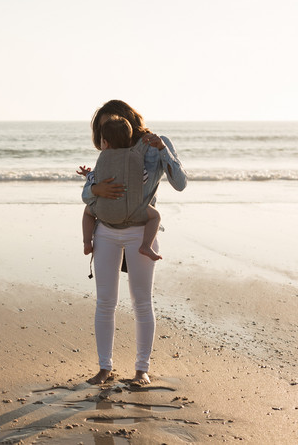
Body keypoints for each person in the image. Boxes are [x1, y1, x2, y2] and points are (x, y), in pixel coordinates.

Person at [81, 100, 187, 386]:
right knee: (105, 302)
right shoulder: (110, 151)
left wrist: (163, 151)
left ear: (128, 121)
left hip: (140, 230)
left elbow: (180, 183)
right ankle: (104, 368)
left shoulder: (155, 145)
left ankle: (142, 370)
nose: (106, 134)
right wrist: (94, 188)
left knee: (141, 302)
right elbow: (89, 193)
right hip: (106, 231)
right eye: (102, 130)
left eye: (110, 125)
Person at [77, 115, 162, 261]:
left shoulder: (103, 159)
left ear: (105, 142)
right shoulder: (134, 158)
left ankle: (86, 242)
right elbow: (144, 179)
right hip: (132, 211)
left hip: (104, 212)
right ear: (129, 140)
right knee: (155, 216)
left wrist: (88, 174)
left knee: (87, 213)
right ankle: (146, 245)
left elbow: (95, 179)